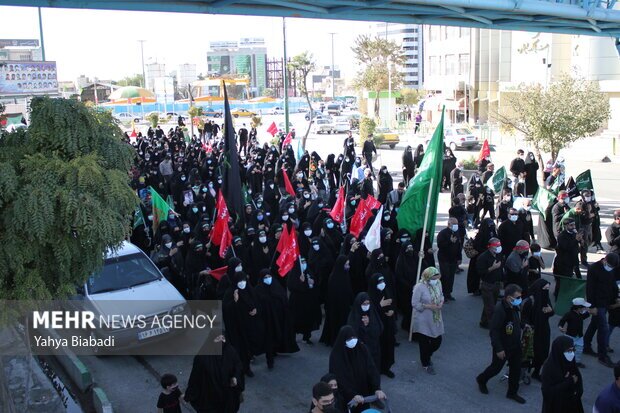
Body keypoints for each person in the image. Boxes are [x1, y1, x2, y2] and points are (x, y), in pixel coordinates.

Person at [476, 284, 526, 404]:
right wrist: (499, 349)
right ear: (509, 298)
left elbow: (515, 321)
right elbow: (494, 331)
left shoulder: (513, 307)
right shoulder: (500, 310)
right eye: (517, 297)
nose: (520, 299)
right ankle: (481, 379)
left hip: (515, 345)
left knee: (516, 369)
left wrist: (523, 326)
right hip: (504, 346)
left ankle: (512, 393)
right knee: (496, 368)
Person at [328, 325, 386, 413]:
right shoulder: (336, 355)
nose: (352, 340)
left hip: (363, 392)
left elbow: (371, 369)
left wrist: (376, 388)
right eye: (349, 339)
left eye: (354, 337)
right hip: (346, 396)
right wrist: (352, 394)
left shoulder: (362, 349)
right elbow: (339, 379)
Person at [584, 253, 620, 368]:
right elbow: (590, 289)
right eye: (609, 265)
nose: (610, 268)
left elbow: (613, 284)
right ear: (604, 260)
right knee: (603, 329)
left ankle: (586, 346)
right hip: (598, 303)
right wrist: (592, 306)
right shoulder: (594, 269)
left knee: (594, 324)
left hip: (607, 301)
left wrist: (616, 297)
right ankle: (602, 356)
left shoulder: (612, 268)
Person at [411, 267, 445, 374]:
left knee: (437, 341)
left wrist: (441, 303)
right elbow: (415, 303)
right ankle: (425, 362)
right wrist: (428, 306)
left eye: (436, 277)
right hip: (423, 319)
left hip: (435, 317)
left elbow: (441, 295)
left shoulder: (438, 283)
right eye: (433, 278)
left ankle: (427, 354)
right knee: (424, 342)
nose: (435, 280)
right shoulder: (419, 287)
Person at [540, 336, 584, 413]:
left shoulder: (570, 362)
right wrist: (568, 382)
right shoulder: (549, 368)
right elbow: (547, 393)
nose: (572, 354)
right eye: (568, 351)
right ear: (559, 351)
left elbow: (577, 378)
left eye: (573, 350)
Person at [522, 279, 554, 380]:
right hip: (532, 331)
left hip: (544, 330)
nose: (546, 292)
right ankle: (523, 373)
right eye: (545, 289)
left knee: (543, 352)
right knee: (529, 353)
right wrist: (526, 326)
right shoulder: (529, 301)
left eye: (547, 289)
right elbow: (523, 318)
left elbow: (551, 311)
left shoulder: (545, 299)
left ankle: (536, 371)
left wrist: (550, 311)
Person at [347, 292, 384, 374]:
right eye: (364, 304)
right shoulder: (354, 316)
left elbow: (379, 329)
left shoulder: (372, 313)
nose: (366, 306)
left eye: (368, 303)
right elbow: (352, 333)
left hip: (373, 348)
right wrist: (363, 326)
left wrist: (369, 324)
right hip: (359, 349)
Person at [476, 238, 504, 329]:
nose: (498, 247)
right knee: (491, 308)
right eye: (496, 246)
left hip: (496, 284)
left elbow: (501, 269)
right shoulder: (483, 257)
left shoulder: (498, 255)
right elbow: (480, 272)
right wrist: (492, 268)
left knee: (490, 305)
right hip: (487, 285)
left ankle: (484, 321)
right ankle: (493, 327)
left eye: (499, 245)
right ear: (490, 247)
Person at [558, 297, 592, 368]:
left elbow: (585, 316)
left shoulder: (580, 314)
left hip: (579, 336)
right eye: (584, 307)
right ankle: (567, 361)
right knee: (569, 349)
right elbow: (562, 321)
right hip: (570, 335)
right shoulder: (569, 314)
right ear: (579, 308)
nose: (585, 309)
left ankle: (577, 362)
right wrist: (560, 327)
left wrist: (589, 312)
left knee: (579, 349)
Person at [553, 218, 582, 300]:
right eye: (571, 225)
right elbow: (566, 247)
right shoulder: (562, 236)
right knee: (561, 281)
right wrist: (576, 240)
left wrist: (580, 241)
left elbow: (576, 247)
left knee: (571, 279)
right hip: (563, 263)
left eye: (574, 225)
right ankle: (557, 296)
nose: (573, 227)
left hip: (573, 260)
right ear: (566, 226)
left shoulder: (573, 234)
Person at [436, 218, 461, 301]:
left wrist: (459, 257)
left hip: (453, 259)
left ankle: (448, 293)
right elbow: (440, 245)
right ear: (449, 224)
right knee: (445, 276)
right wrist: (449, 242)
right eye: (454, 224)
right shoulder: (443, 233)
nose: (456, 226)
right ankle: (442, 293)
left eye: (457, 224)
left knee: (451, 276)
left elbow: (458, 246)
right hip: (444, 258)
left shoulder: (457, 232)